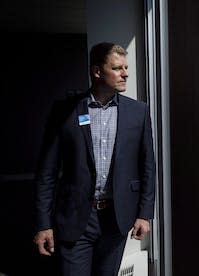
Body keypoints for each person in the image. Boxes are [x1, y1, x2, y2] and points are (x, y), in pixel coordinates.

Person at [33, 42, 156, 276]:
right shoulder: (65, 111)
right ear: (97, 71)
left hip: (117, 219)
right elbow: (46, 172)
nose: (125, 73)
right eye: (118, 68)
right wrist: (43, 224)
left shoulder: (138, 112)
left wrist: (144, 214)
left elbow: (147, 166)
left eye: (126, 68)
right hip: (75, 219)